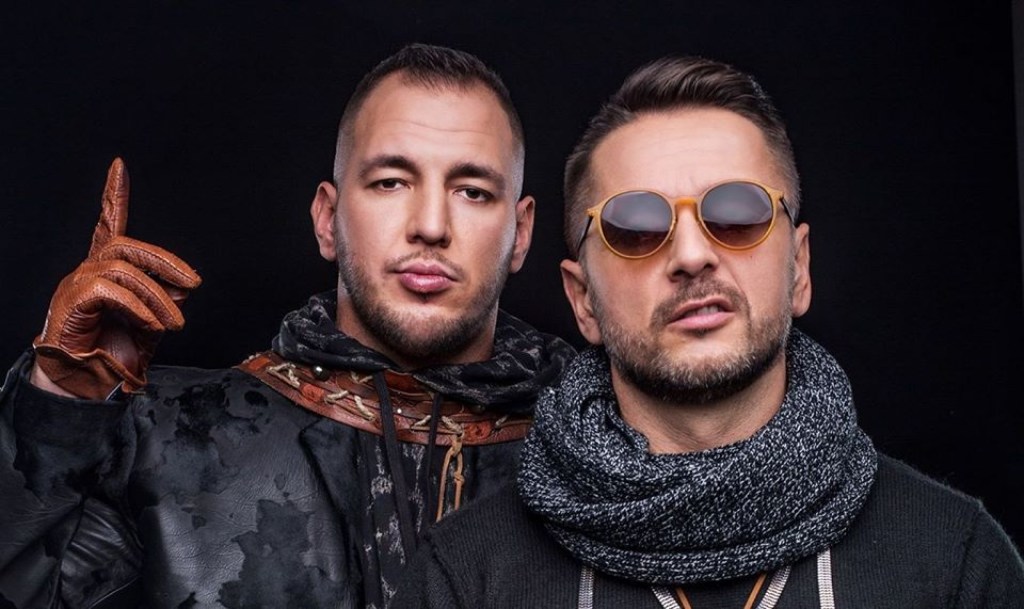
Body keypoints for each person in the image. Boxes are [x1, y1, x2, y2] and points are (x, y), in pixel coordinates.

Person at [389, 55, 1024, 608]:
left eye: (738, 212)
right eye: (636, 227)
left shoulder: (956, 561)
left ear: (799, 269)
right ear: (583, 301)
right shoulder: (464, 578)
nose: (692, 255)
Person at [0, 43, 574, 609]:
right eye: (390, 182)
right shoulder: (170, 437)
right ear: (328, 219)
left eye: (472, 192)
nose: (430, 225)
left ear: (521, 234)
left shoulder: (592, 454)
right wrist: (57, 407)